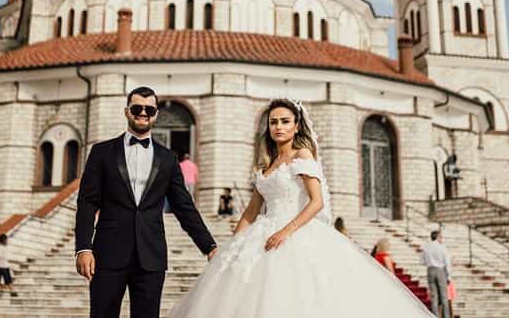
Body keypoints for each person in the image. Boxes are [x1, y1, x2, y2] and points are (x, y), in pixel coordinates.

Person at [169, 99, 433, 317]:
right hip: (261, 234)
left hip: (296, 233)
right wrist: (232, 247)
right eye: (273, 122)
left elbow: (316, 201)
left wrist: (286, 231)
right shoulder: (266, 163)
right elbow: (251, 210)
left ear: (296, 126)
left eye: (285, 121)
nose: (278, 127)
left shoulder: (302, 155)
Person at [75, 86, 218, 318]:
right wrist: (83, 247)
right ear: (126, 112)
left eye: (149, 109)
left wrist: (209, 246)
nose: (143, 113)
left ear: (156, 114)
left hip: (151, 257)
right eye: (137, 108)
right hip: (108, 254)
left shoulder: (168, 158)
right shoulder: (101, 152)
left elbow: (183, 206)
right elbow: (87, 203)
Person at [421, 230, 452, 318]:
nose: (442, 239)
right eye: (441, 237)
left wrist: (430, 263)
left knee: (433, 296)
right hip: (440, 270)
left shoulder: (426, 247)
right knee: (444, 296)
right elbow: (447, 262)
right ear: (438, 237)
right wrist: (449, 276)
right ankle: (446, 316)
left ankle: (434, 316)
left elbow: (422, 261)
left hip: (430, 270)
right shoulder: (442, 247)